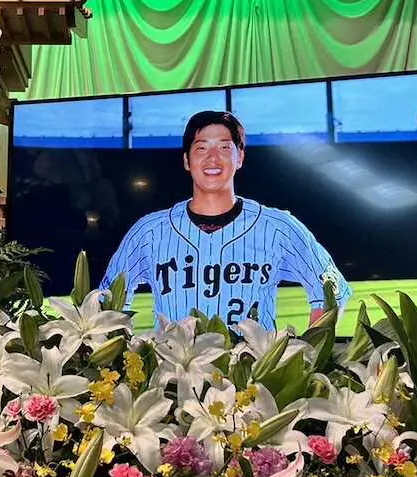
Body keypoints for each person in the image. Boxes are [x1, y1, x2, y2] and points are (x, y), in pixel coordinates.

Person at [99, 110, 351, 329]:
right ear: (187, 160)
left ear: (240, 157)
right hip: (172, 368)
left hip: (252, 368)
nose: (212, 157)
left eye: (224, 147)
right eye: (201, 148)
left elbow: (332, 293)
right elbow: (107, 302)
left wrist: (305, 356)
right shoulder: (149, 232)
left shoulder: (278, 228)